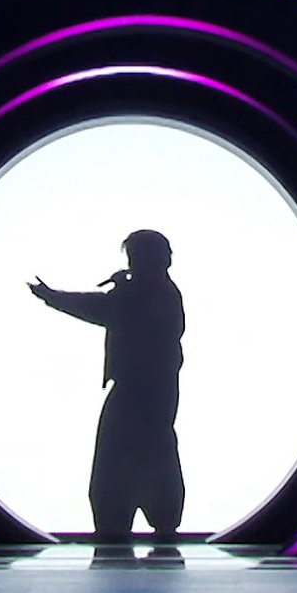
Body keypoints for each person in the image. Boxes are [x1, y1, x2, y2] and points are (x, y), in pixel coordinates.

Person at [29, 229, 186, 542]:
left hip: (144, 393)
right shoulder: (148, 293)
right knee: (135, 456)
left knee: (128, 457)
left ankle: (137, 517)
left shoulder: (157, 295)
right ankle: (129, 518)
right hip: (145, 391)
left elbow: (115, 312)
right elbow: (107, 308)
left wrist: (57, 297)